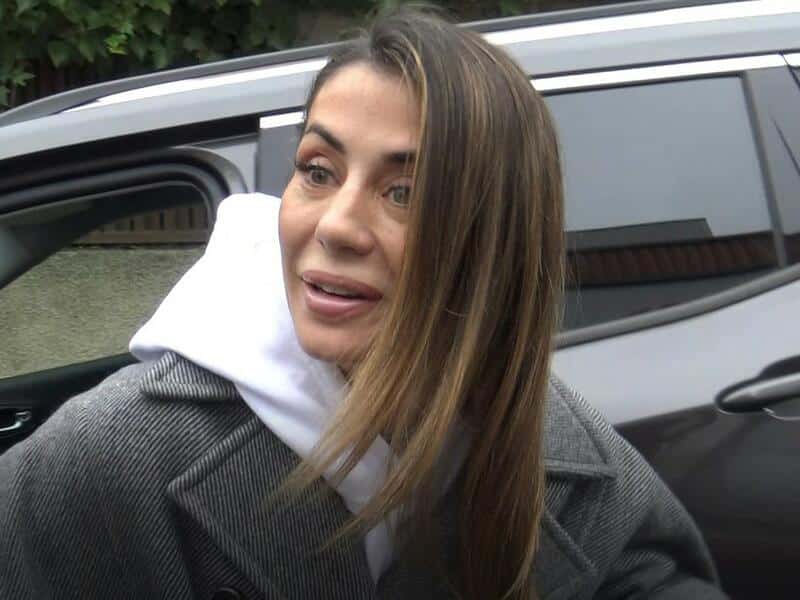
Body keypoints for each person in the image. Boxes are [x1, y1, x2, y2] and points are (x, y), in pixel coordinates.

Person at [0, 7, 727, 600]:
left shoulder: (571, 465)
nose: (337, 225)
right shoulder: (107, 456)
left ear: (495, 240)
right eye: (318, 171)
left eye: (404, 191)